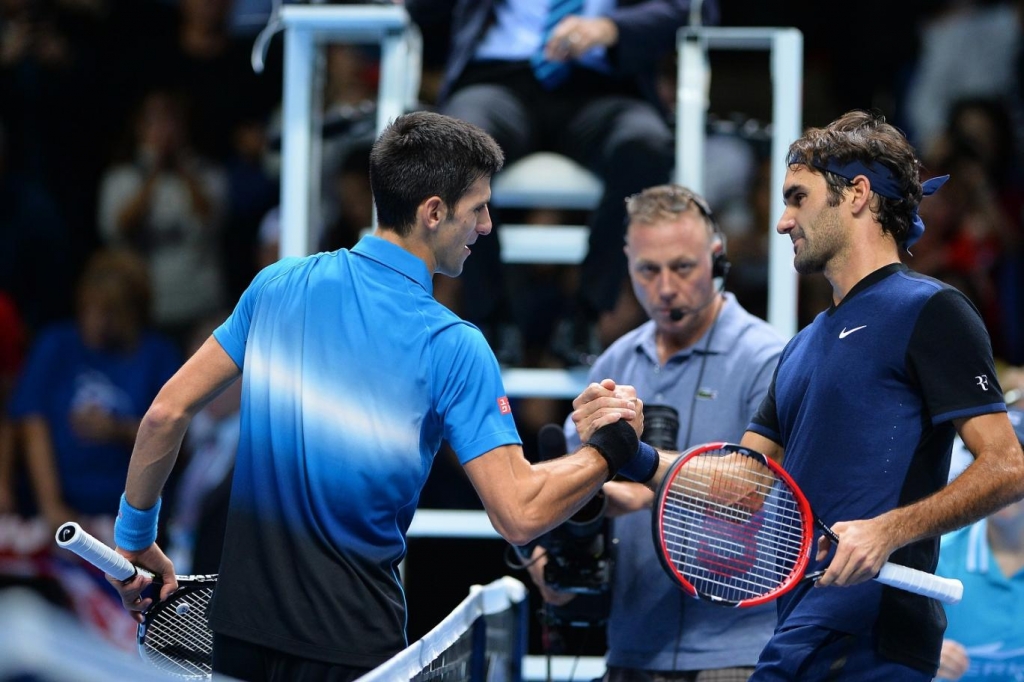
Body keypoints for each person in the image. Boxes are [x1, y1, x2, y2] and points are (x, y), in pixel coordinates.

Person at [104, 111, 658, 682]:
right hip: (352, 647)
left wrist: (135, 539)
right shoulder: (454, 346)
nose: (488, 226)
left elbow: (166, 414)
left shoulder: (276, 286)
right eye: (478, 208)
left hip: (239, 635)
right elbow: (519, 514)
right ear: (434, 212)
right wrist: (608, 449)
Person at [731, 109, 1024, 680]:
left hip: (878, 640)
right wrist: (630, 454)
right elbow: (740, 484)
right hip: (796, 631)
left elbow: (1008, 467)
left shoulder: (931, 310)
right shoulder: (801, 346)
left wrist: (888, 531)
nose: (783, 221)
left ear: (857, 194)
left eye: (798, 198)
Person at [527, 184, 785, 681]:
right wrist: (539, 551)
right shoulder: (616, 361)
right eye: (648, 270)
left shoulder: (767, 360)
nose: (665, 287)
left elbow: (753, 488)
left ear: (716, 258)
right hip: (632, 648)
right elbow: (560, 481)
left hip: (737, 653)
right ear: (627, 263)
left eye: (682, 267)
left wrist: (641, 486)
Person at [404, 0, 720, 361]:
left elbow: (695, 7)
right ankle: (489, 318)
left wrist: (611, 27)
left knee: (644, 146)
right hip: (499, 80)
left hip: (605, 84)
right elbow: (420, 11)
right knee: (454, 143)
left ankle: (587, 316)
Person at [6, 249, 181, 531]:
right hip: (56, 511)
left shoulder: (158, 355)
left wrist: (118, 429)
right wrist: (52, 506)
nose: (96, 321)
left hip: (129, 518)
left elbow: (175, 435)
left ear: (133, 311)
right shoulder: (57, 344)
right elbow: (31, 422)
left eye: (109, 312)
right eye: (88, 308)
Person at [935, 407, 1024, 682]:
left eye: (1017, 464)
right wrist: (920, 660)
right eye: (986, 463)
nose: (1000, 480)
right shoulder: (934, 557)